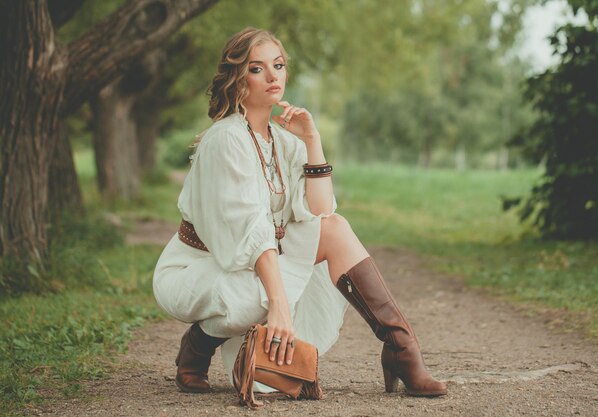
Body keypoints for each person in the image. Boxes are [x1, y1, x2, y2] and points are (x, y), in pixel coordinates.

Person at [152, 27, 447, 398]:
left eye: (278, 65)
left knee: (335, 228)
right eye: (257, 68)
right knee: (254, 299)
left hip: (254, 261)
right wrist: (280, 307)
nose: (273, 75)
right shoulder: (225, 140)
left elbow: (320, 211)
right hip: (200, 267)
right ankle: (197, 345)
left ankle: (402, 350)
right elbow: (251, 229)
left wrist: (312, 139)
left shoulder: (285, 142)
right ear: (237, 78)